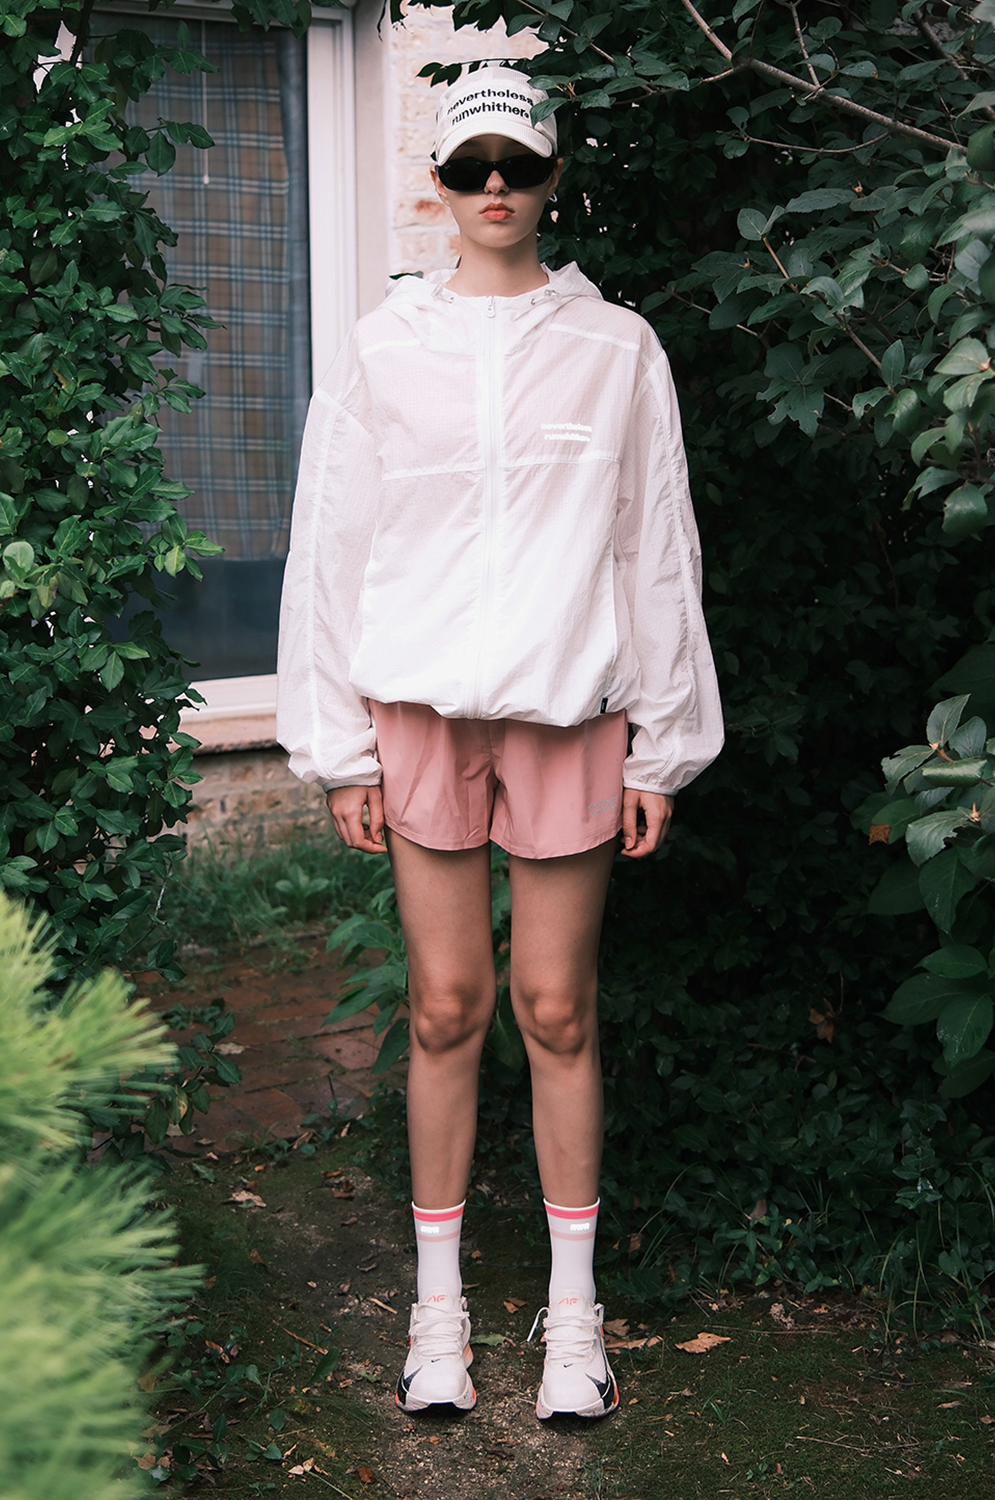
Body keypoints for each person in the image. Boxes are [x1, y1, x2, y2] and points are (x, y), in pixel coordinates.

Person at [276, 64, 723, 1422]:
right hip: (419, 709)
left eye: (517, 167)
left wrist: (663, 745)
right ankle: (441, 1315)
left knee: (557, 1009)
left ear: (551, 180)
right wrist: (340, 745)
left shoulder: (616, 348)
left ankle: (575, 1322)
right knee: (445, 1008)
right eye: (470, 165)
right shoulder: (382, 348)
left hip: (572, 708)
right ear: (437, 182)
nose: (493, 188)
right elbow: (332, 544)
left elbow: (655, 545)